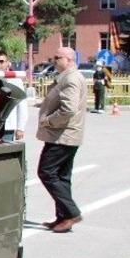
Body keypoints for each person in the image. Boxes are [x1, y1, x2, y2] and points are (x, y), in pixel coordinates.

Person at [36, 47, 88, 233]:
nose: (53, 61)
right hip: (65, 135)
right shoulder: (68, 76)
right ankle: (63, 217)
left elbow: (68, 109)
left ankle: (72, 213)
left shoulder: (71, 78)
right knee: (62, 177)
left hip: (62, 135)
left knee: (46, 172)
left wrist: (48, 121)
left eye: (57, 58)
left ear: (68, 59)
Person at [0, 51, 27, 142]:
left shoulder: (16, 81)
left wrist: (20, 128)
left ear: (8, 63)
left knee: (6, 154)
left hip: (7, 127)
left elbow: (22, 106)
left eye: (1, 61)